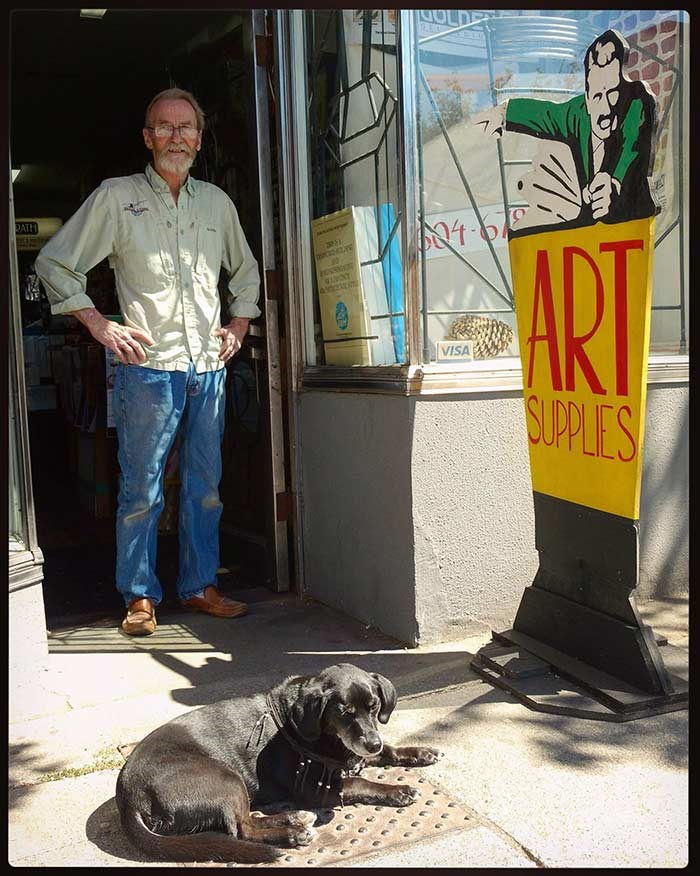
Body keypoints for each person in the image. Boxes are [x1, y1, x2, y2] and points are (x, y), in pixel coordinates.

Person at [36, 88, 261, 636]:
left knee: (205, 487)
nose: (176, 136)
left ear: (200, 140)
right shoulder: (117, 197)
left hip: (207, 367)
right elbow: (55, 262)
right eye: (164, 126)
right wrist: (100, 325)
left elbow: (246, 271)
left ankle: (200, 585)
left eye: (186, 127)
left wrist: (238, 323)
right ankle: (139, 596)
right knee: (142, 490)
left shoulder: (216, 204)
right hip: (146, 368)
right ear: (147, 137)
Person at [473, 29, 658, 229]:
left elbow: (632, 144)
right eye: (597, 96)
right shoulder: (577, 113)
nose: (605, 109)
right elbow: (548, 114)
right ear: (587, 96)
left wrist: (614, 182)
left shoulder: (637, 102)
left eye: (613, 94)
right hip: (585, 238)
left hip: (632, 230)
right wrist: (503, 113)